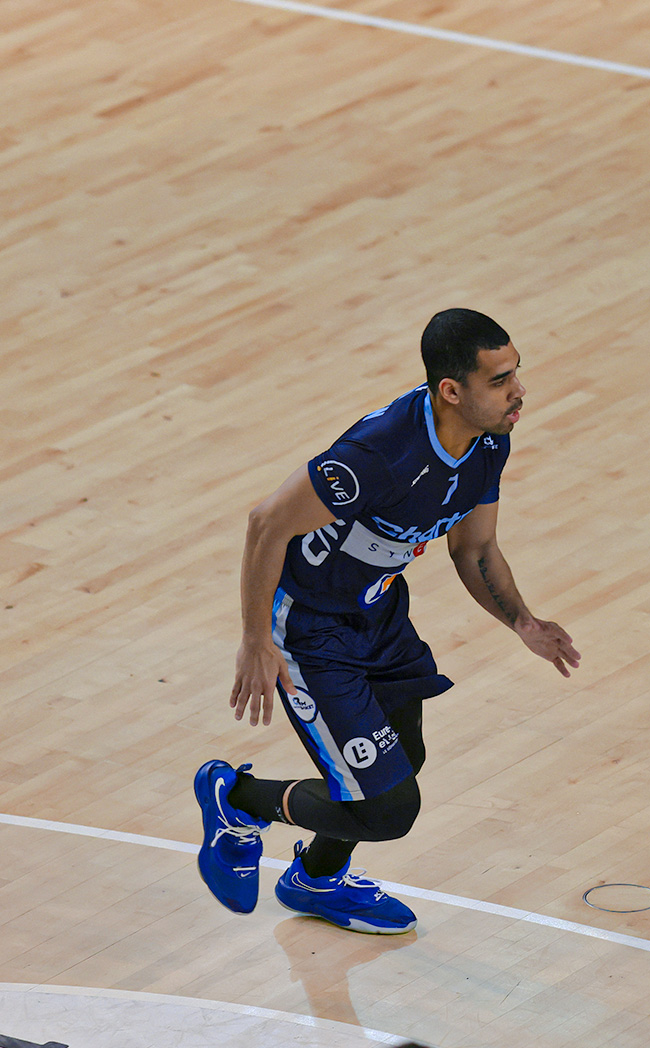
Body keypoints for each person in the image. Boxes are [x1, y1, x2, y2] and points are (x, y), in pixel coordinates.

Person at [192, 309, 580, 933]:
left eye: (517, 373)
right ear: (451, 391)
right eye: (501, 380)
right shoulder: (379, 454)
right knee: (387, 808)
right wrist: (255, 639)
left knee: (405, 755)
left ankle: (316, 879)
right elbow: (266, 523)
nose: (519, 392)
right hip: (310, 628)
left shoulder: (489, 438)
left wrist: (524, 623)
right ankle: (234, 800)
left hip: (378, 612)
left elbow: (474, 548)